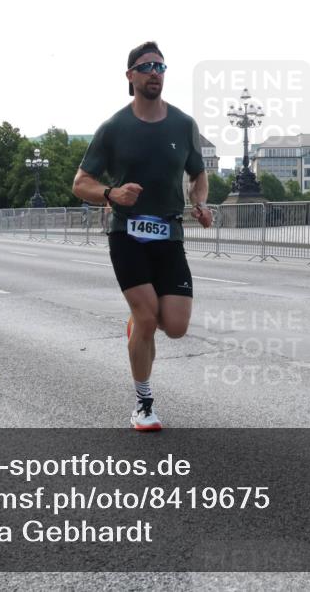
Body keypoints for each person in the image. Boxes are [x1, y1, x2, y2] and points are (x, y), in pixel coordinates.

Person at [72, 41, 212, 431]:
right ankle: (144, 404)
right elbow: (80, 182)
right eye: (147, 66)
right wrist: (110, 194)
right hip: (127, 234)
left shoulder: (183, 125)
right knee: (148, 317)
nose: (155, 72)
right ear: (130, 76)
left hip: (169, 234)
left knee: (177, 326)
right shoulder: (114, 128)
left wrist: (200, 201)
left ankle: (137, 325)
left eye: (161, 66)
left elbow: (198, 174)